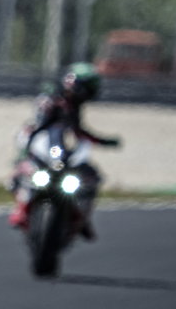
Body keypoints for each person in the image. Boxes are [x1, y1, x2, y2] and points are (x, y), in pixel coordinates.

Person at [8, 62, 122, 239]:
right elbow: (38, 126)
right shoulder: (50, 100)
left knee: (92, 177)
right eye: (89, 88)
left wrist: (102, 141)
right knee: (22, 172)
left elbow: (78, 131)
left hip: (63, 154)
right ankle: (21, 210)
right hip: (42, 149)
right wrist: (25, 152)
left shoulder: (74, 107)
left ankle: (82, 218)